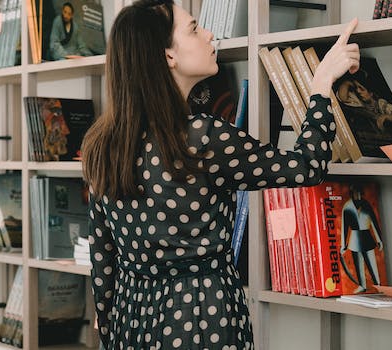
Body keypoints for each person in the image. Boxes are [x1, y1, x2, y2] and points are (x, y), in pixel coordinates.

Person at [80, 0, 360, 348]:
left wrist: (110, 323)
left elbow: (103, 255)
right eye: (195, 29)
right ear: (168, 56)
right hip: (201, 314)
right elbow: (306, 166)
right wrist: (320, 84)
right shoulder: (201, 138)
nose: (209, 34)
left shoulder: (101, 144)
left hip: (132, 314)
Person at [340, 183, 384, 294]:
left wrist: (379, 239)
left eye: (359, 192)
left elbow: (374, 222)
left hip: (367, 236)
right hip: (354, 238)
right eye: (355, 192)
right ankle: (362, 285)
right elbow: (344, 226)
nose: (357, 195)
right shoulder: (347, 207)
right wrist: (343, 244)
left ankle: (377, 284)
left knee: (371, 262)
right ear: (352, 193)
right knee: (358, 263)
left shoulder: (366, 204)